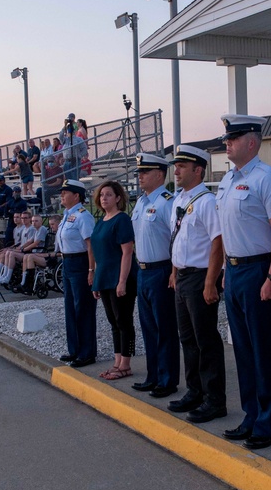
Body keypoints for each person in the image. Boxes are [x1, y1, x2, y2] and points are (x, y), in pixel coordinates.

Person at [216, 115, 271, 449]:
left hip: (260, 271)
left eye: (234, 137)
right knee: (243, 349)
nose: (227, 143)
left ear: (252, 142)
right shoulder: (227, 180)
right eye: (226, 138)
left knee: (263, 351)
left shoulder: (267, 179)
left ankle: (269, 423)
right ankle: (251, 415)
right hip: (234, 271)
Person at [168, 145, 227, 424]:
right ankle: (194, 391)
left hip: (200, 277)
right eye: (176, 165)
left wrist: (210, 282)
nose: (176, 170)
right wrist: (173, 271)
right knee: (188, 339)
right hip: (182, 276)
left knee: (206, 341)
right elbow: (178, 240)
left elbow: (218, 242)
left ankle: (214, 400)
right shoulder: (180, 199)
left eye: (182, 166)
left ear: (198, 170)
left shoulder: (206, 201)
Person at [129, 153, 179, 398]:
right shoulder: (140, 202)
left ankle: (168, 379)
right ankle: (153, 375)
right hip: (143, 270)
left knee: (165, 327)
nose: (140, 176)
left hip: (162, 270)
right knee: (148, 327)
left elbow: (177, 238)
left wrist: (173, 271)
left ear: (160, 174)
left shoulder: (168, 202)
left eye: (144, 172)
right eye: (140, 172)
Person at [91, 181, 138, 381]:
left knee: (123, 320)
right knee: (113, 322)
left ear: (118, 198)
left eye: (109, 194)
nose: (104, 198)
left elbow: (127, 252)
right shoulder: (101, 221)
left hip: (121, 277)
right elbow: (96, 251)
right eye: (102, 195)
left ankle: (125, 364)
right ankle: (117, 361)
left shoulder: (122, 220)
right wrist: (95, 278)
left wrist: (122, 281)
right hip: (105, 277)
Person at [56, 180, 97, 367]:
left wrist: (91, 270)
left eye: (65, 193)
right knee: (71, 308)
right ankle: (74, 349)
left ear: (77, 196)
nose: (62, 196)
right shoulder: (67, 215)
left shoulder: (83, 216)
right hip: (67, 262)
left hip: (80, 262)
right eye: (62, 193)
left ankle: (87, 352)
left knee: (83, 309)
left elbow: (91, 246)